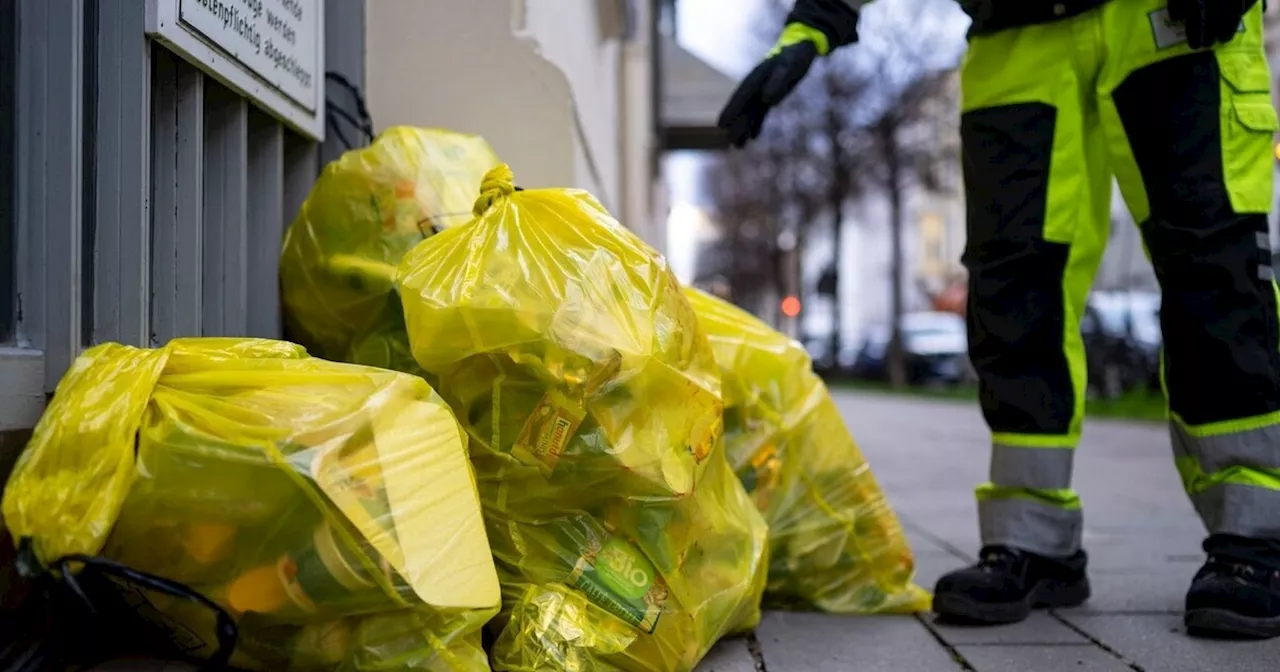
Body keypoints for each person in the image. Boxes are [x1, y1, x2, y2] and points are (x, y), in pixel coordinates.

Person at [718, 0, 1280, 638]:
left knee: (1212, 272)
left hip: (1166, 21)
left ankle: (1256, 539)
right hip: (1014, 38)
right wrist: (815, 20)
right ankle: (1033, 542)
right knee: (1013, 295)